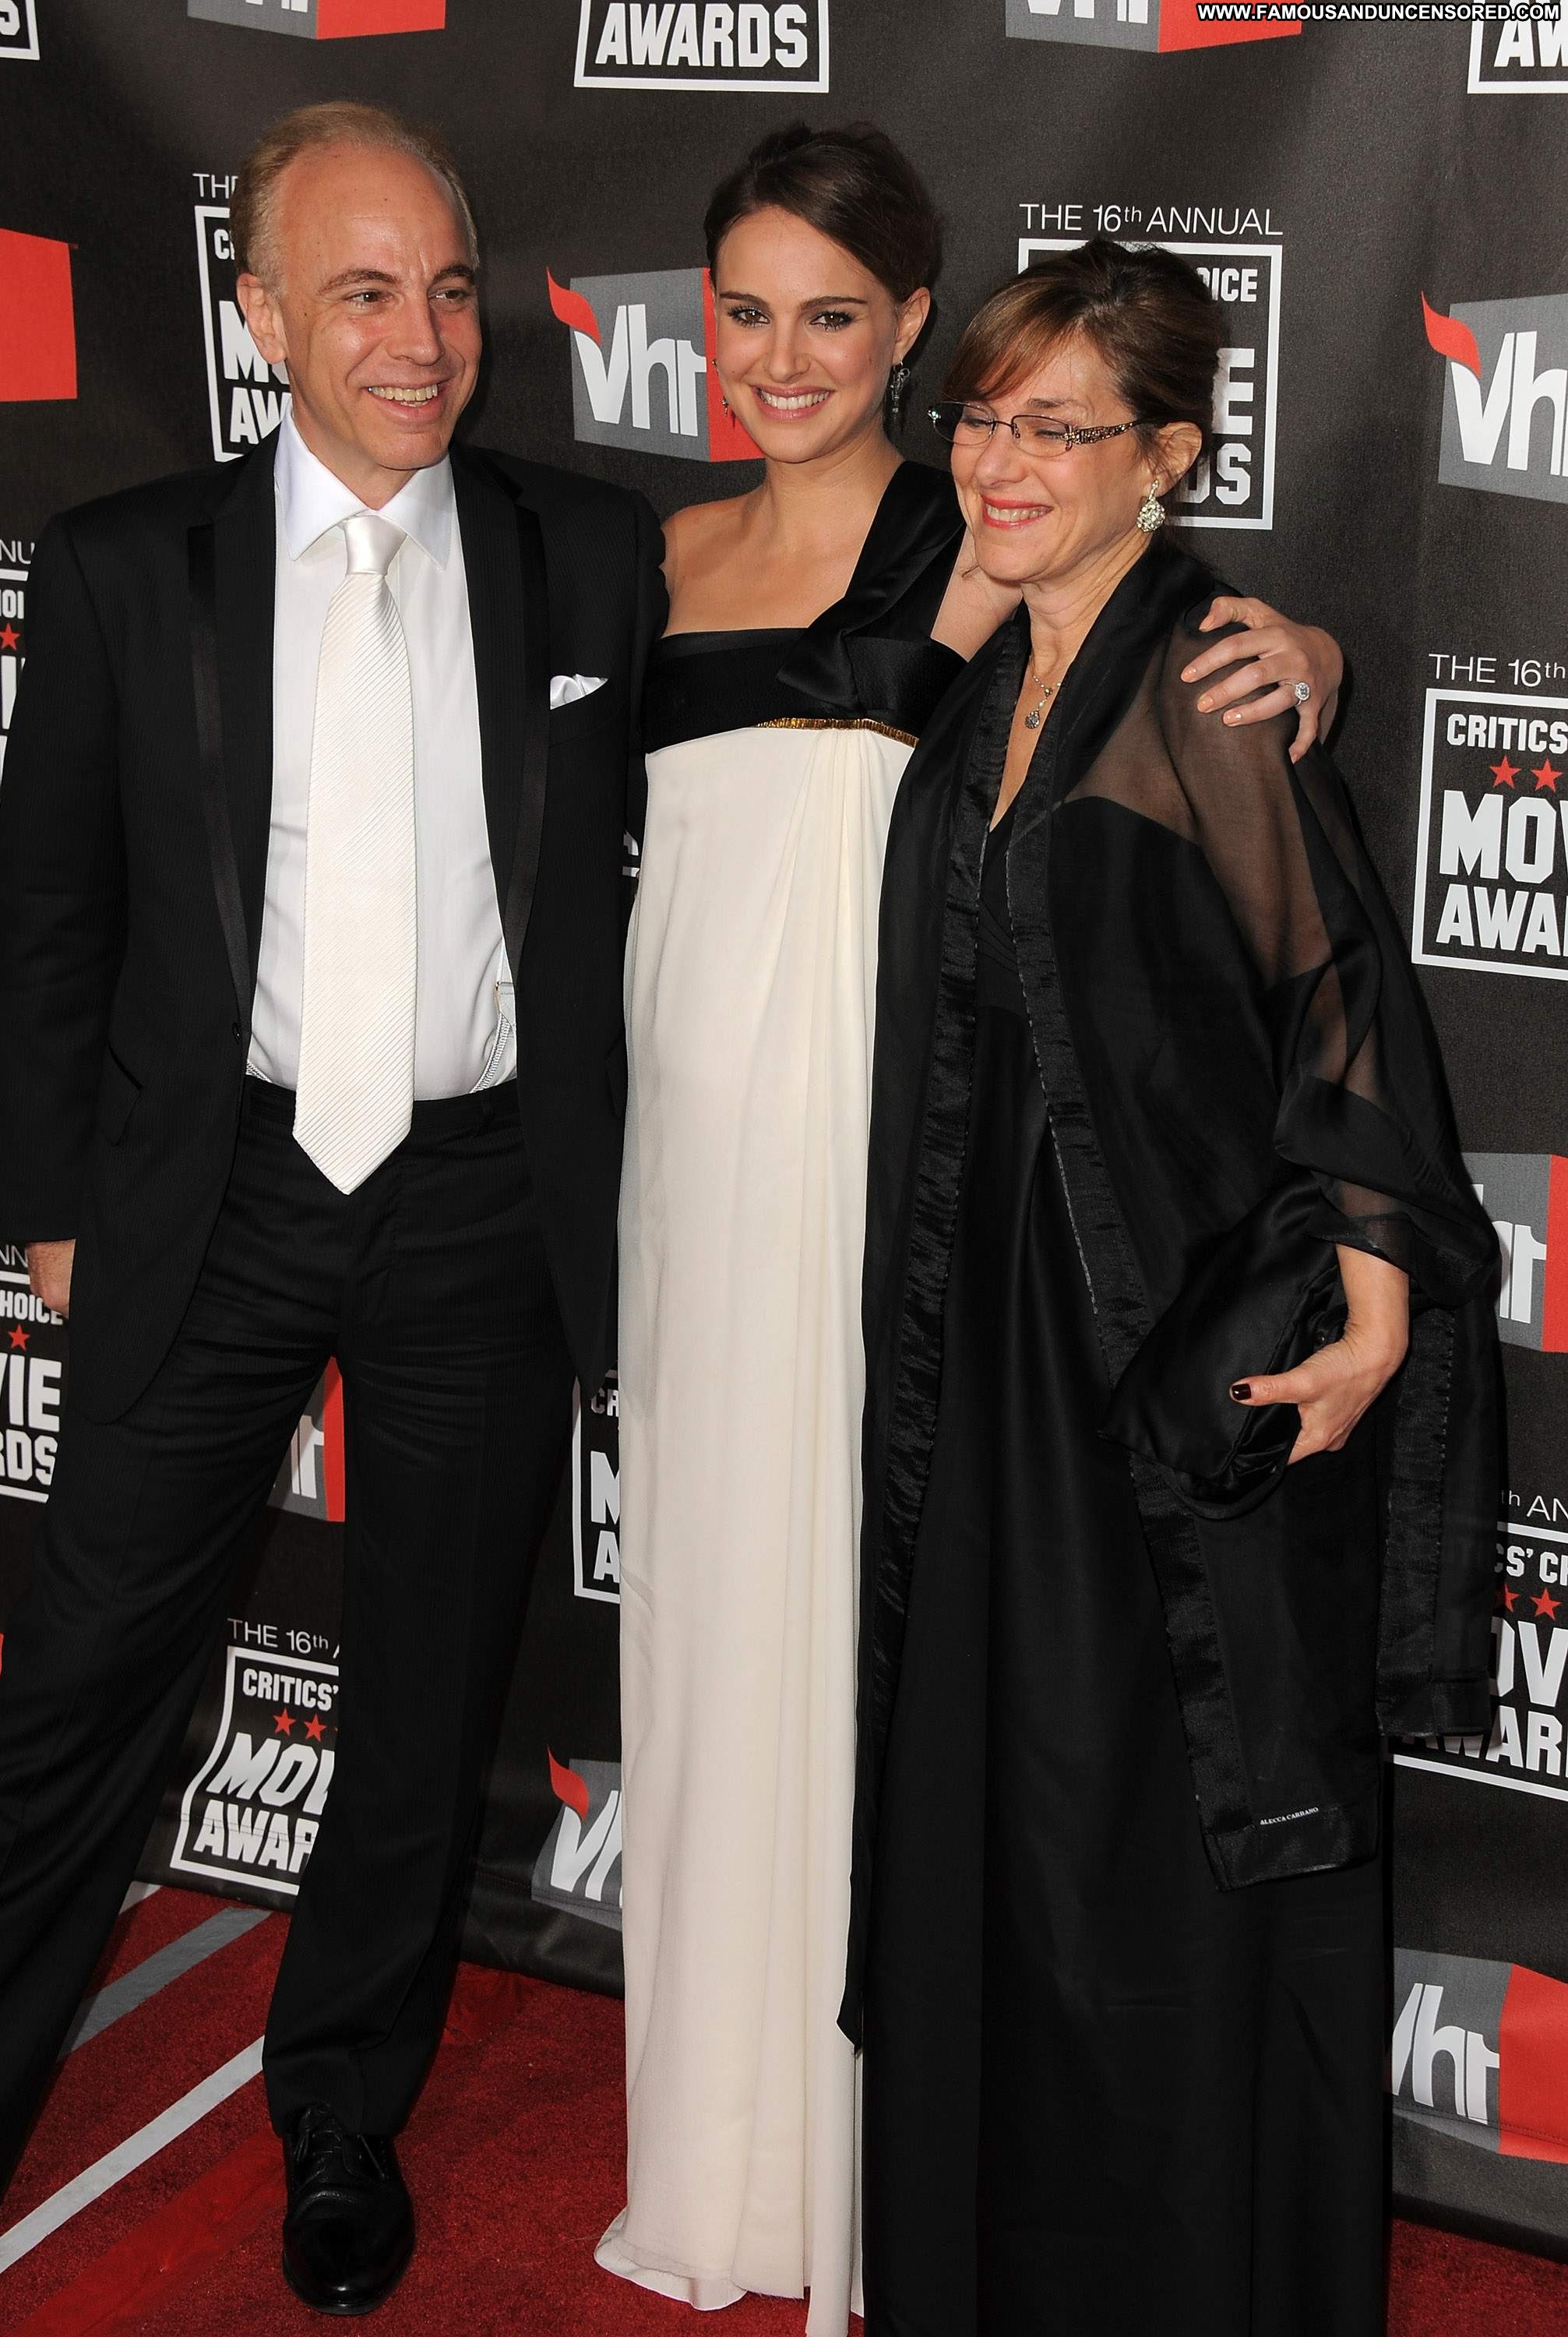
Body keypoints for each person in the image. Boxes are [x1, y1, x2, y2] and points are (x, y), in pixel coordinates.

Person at [0, 100, 662, 2315]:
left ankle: (343, 2112)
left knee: (425, 1703)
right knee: (78, 1683)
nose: (420, 338)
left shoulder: (587, 554)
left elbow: (855, 631)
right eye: (360, 292)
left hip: (481, 1199)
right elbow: (51, 910)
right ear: (257, 313)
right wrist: (60, 1205)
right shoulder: (120, 564)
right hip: (215, 1187)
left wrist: (1256, 642)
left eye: (447, 288)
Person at [602, 129, 1344, 2335]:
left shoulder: (983, 523)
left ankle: (886, 2176)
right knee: (725, 1634)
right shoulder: (639, 550)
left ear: (910, 327)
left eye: (835, 314)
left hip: (910, 1191)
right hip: (698, 1191)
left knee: (892, 1657)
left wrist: (1313, 640)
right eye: (745, 311)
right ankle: (726, 2155)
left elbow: (1175, 647)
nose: (783, 357)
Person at [844, 236, 1502, 2337]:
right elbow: (841, 675)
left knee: (1135, 1819)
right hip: (972, 1333)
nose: (1003, 459)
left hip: (1139, 1349)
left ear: (1170, 455)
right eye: (983, 415)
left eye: (1062, 427)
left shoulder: (1210, 684)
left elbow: (1340, 987)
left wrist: (1380, 1296)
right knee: (993, 1815)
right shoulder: (988, 653)